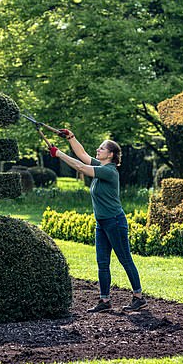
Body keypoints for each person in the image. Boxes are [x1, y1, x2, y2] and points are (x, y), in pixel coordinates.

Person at [49, 129, 147, 313]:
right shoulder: (101, 167)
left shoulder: (109, 171)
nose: (98, 150)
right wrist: (71, 137)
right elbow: (82, 155)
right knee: (102, 262)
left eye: (102, 148)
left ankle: (139, 297)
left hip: (115, 222)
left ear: (110, 154)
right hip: (101, 223)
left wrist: (59, 154)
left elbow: (81, 167)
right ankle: (104, 300)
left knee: (125, 259)